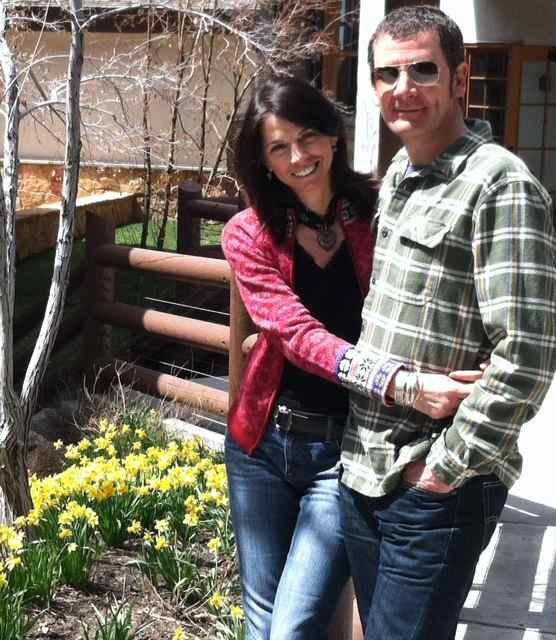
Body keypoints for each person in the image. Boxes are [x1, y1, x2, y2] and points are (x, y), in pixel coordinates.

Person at [221, 75, 478, 640]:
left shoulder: (379, 213)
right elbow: (294, 333)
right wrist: (400, 383)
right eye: (279, 148)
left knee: (293, 625)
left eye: (307, 137)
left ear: (333, 135)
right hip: (261, 445)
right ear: (264, 163)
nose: (298, 157)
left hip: (347, 449)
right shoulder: (248, 233)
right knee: (262, 619)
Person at [338, 6, 556, 640]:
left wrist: (442, 468)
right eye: (387, 74)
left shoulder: (501, 185)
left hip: (434, 486)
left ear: (460, 79)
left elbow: (527, 356)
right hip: (366, 468)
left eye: (422, 71)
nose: (402, 88)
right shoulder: (398, 177)